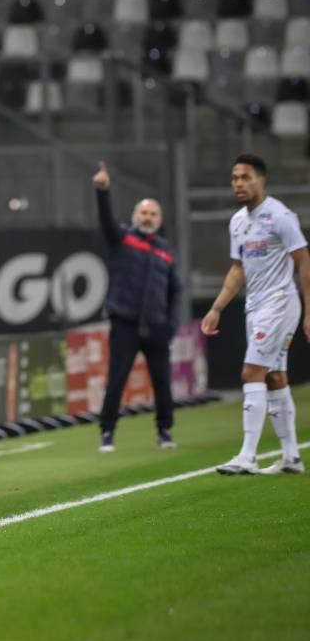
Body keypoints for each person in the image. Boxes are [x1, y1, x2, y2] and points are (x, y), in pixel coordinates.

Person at [202, 154, 309, 475]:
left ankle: (247, 456)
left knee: (251, 373)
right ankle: (291, 457)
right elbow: (238, 269)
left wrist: (309, 311)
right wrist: (217, 308)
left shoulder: (280, 216)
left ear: (261, 180)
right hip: (256, 307)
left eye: (245, 177)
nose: (238, 183)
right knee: (274, 377)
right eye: (235, 178)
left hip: (280, 303)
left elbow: (304, 261)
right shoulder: (238, 221)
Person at [91, 161, 181, 453]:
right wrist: (103, 192)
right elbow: (106, 220)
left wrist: (171, 324)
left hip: (156, 326)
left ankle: (165, 431)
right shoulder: (123, 239)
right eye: (143, 212)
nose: (148, 217)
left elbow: (176, 291)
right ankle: (107, 432)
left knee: (162, 381)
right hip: (125, 323)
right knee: (117, 379)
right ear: (134, 216)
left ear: (159, 219)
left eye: (153, 213)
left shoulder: (165, 251)